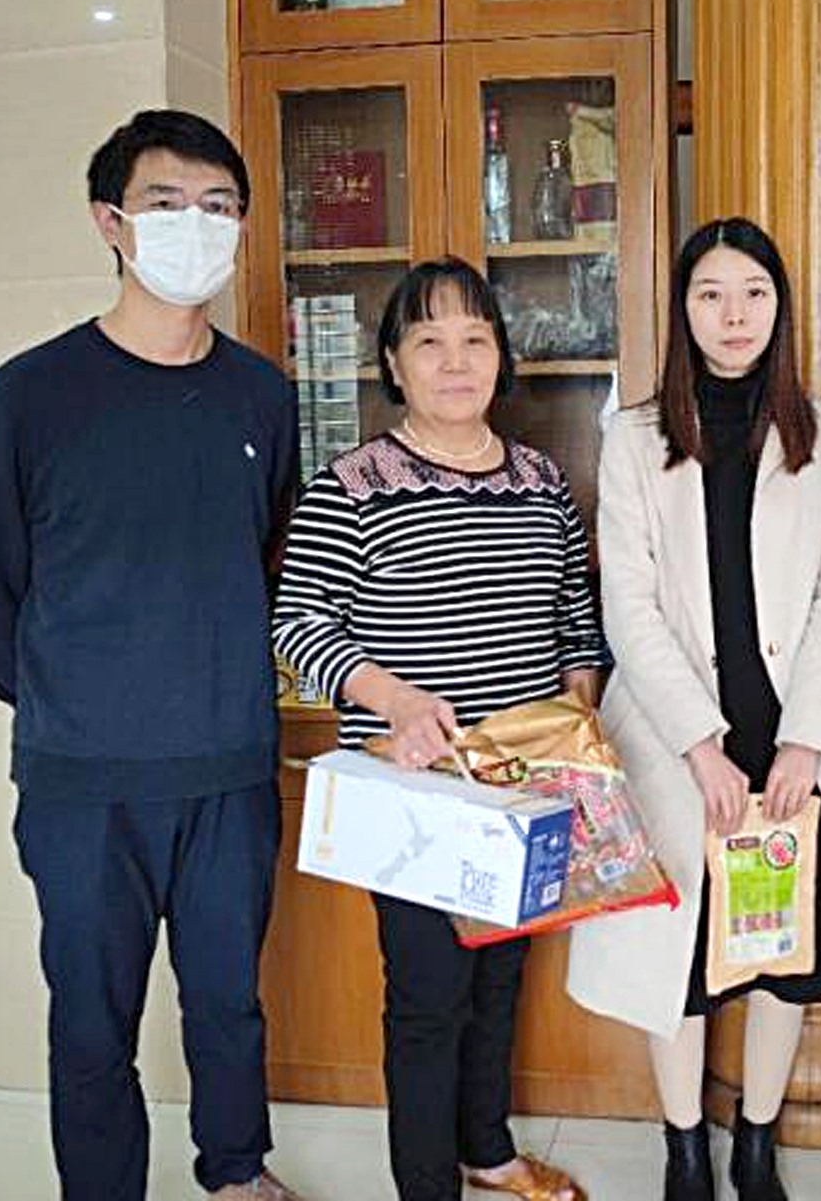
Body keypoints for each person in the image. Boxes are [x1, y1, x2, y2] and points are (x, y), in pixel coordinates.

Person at [0, 110, 302, 1201]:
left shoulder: (261, 395)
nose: (195, 223)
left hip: (227, 768)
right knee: (92, 1020)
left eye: (218, 206)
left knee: (228, 1002)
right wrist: (82, 699)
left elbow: (269, 556)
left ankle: (236, 1173)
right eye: (165, 203)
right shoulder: (27, 397)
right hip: (84, 782)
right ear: (110, 221)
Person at [272, 258, 600, 1201]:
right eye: (429, 341)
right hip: (415, 791)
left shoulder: (540, 480)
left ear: (500, 356)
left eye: (474, 339)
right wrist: (397, 701)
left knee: (500, 982)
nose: (455, 362)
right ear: (393, 362)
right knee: (427, 998)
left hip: (524, 784)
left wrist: (578, 713)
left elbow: (576, 617)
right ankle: (427, 1184)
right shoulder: (352, 485)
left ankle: (487, 1150)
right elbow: (296, 623)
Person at [565, 218, 821, 1201]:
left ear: (779, 307)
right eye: (710, 294)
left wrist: (807, 742)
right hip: (675, 737)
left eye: (753, 293)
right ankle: (685, 1146)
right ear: (682, 309)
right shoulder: (635, 436)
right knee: (682, 957)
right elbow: (628, 604)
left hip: (796, 737)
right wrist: (700, 745)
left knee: (785, 951)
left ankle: (756, 1141)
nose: (733, 315)